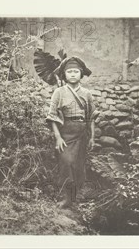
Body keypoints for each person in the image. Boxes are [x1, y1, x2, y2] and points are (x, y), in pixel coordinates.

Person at [46, 57, 96, 208]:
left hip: (82, 133)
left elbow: (91, 117)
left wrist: (92, 136)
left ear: (81, 74)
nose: (73, 74)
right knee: (66, 163)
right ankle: (67, 198)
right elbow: (52, 116)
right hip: (66, 132)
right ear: (64, 75)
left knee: (78, 166)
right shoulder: (59, 92)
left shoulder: (87, 94)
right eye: (69, 72)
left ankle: (74, 197)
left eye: (76, 72)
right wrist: (58, 138)